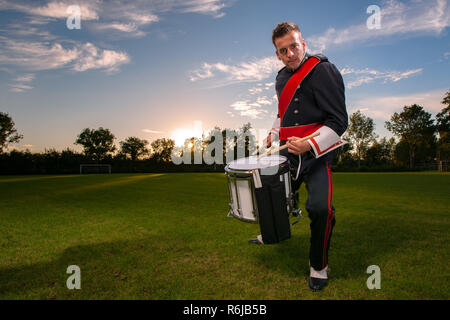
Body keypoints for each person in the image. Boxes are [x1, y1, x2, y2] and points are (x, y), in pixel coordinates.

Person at [248, 22, 348, 292]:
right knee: (270, 196)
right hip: (287, 153)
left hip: (317, 154)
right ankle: (271, 234)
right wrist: (272, 133)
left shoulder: (323, 70)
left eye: (294, 46)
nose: (290, 53)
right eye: (283, 50)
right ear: (277, 54)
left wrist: (309, 144)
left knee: (321, 209)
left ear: (303, 43)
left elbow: (339, 121)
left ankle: (318, 265)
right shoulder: (281, 78)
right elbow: (282, 113)